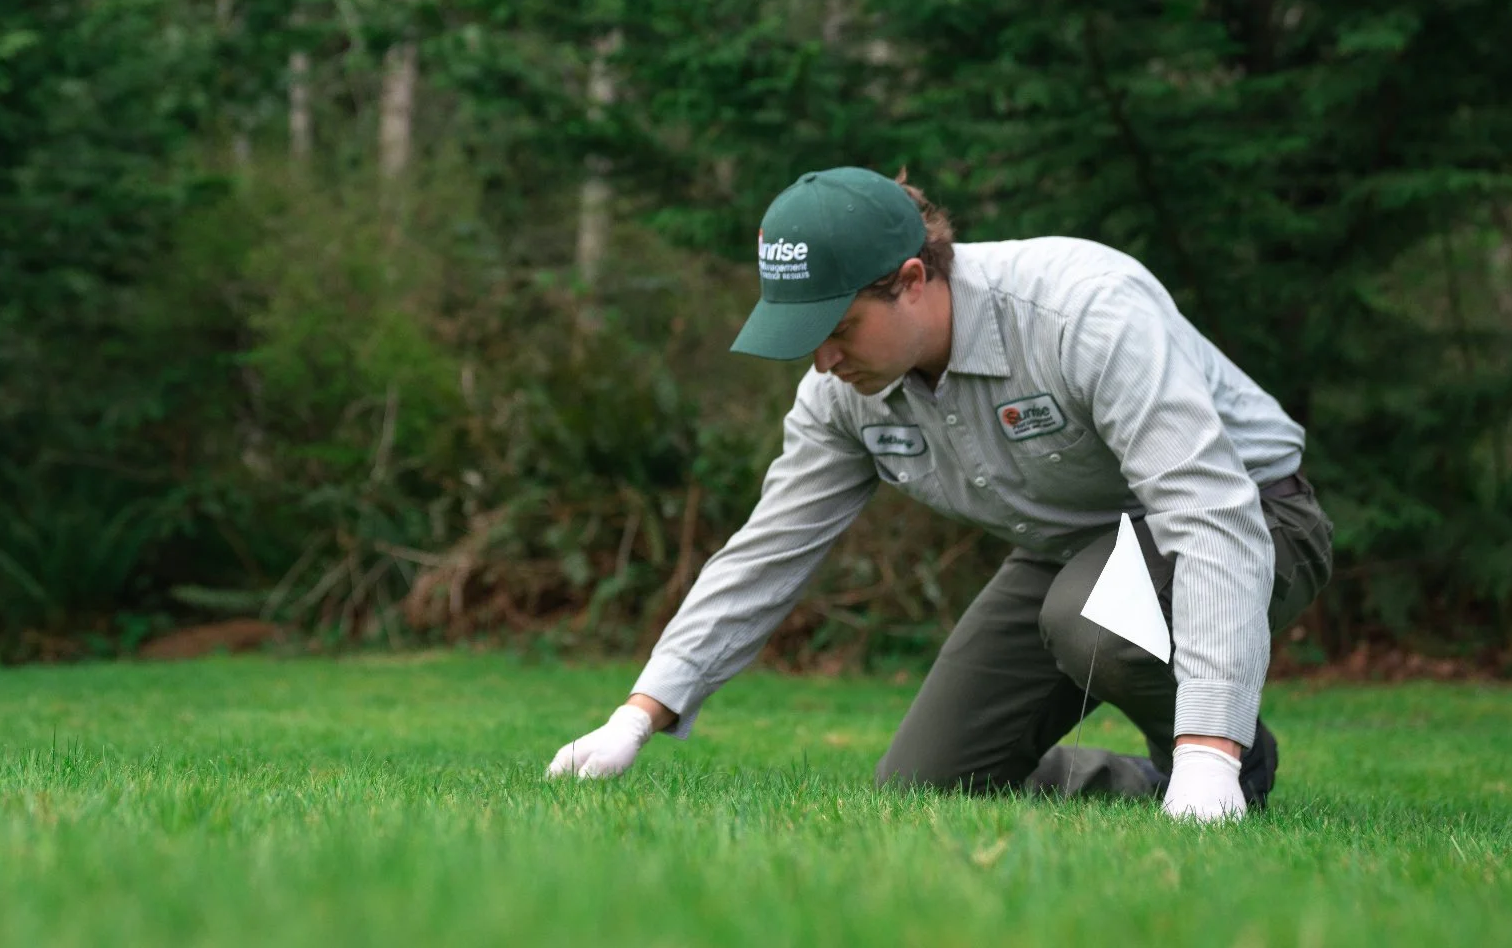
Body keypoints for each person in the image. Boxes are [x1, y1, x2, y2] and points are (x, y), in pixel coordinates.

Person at [544, 166, 1334, 822]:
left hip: (1253, 516)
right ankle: (1164, 789)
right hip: (1076, 555)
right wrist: (640, 714)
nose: (821, 359)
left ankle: (1218, 763)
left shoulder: (1083, 309)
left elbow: (1207, 512)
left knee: (1091, 619)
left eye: (840, 326)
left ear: (913, 281)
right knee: (926, 785)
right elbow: (768, 549)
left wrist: (1206, 748)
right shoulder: (842, 393)